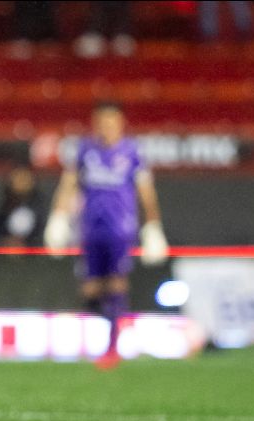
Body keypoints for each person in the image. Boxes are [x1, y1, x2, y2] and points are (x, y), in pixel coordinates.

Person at [44, 101, 168, 370]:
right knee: (90, 289)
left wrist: (153, 226)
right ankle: (113, 330)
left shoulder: (132, 151)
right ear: (95, 123)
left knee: (116, 284)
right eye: (102, 122)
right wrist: (59, 216)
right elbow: (70, 182)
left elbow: (146, 190)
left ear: (121, 123)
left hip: (120, 229)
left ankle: (112, 347)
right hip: (90, 228)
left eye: (112, 122)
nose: (107, 127)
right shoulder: (86, 149)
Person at [0, 166, 48, 247]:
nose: (22, 183)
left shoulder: (40, 204)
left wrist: (27, 243)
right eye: (18, 179)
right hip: (4, 250)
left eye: (25, 179)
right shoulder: (2, 204)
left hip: (33, 251)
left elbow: (42, 230)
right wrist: (6, 241)